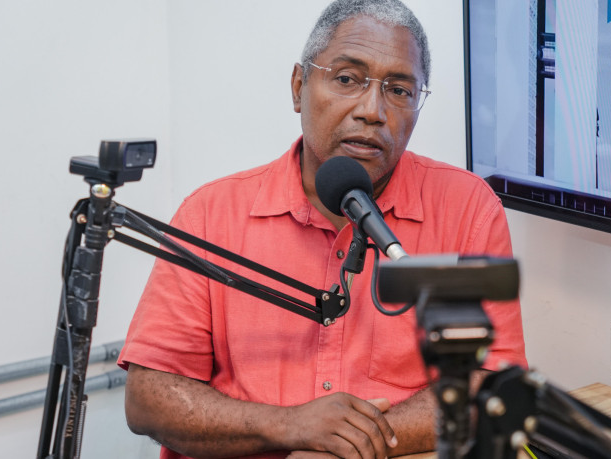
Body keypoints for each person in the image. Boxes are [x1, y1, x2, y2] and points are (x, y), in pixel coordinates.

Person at [118, 1, 527, 458]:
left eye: (399, 90)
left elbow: (492, 382)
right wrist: (291, 427)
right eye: (347, 79)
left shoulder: (467, 209)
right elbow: (149, 398)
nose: (373, 111)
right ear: (299, 87)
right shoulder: (211, 215)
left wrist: (352, 442)